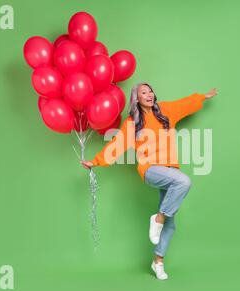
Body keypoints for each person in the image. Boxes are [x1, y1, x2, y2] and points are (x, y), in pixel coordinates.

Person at [81, 83, 217, 280]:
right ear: (136, 98)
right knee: (184, 182)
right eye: (143, 92)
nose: (149, 94)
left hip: (170, 172)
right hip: (150, 169)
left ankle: (158, 261)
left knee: (170, 225)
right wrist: (95, 161)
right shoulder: (132, 122)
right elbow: (116, 145)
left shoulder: (166, 111)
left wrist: (203, 96)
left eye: (150, 90)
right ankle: (158, 218)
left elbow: (185, 103)